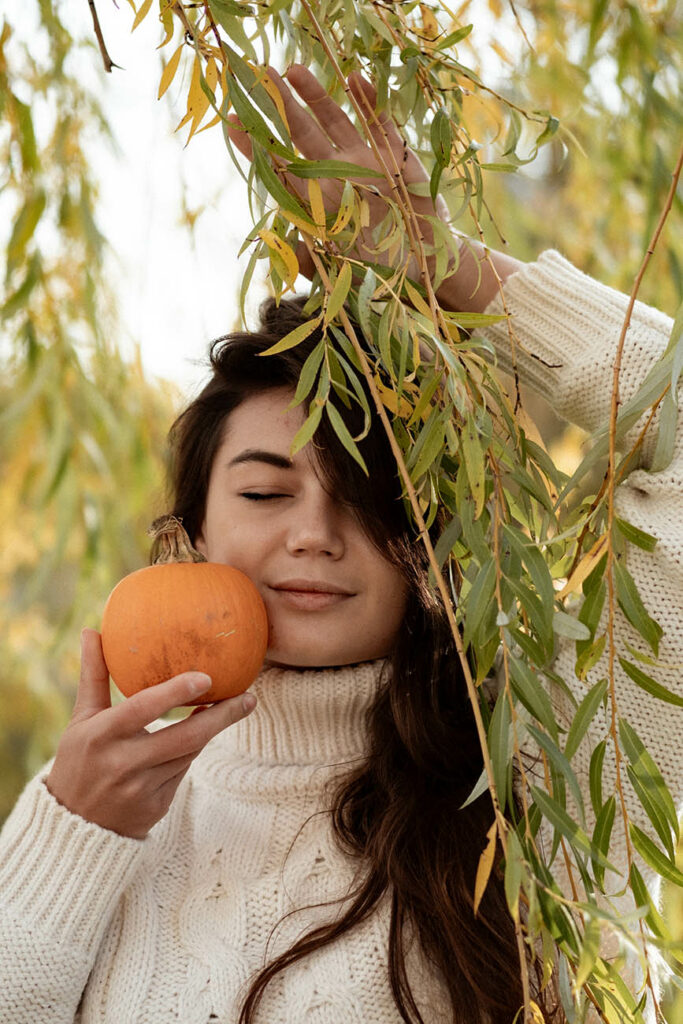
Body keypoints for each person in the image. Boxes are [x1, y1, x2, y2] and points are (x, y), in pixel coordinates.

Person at [0, 66, 680, 1024]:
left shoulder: (546, 757)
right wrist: (70, 839)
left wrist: (446, 264)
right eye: (265, 490)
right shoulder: (102, 802)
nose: (313, 535)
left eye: (368, 500)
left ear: (430, 535)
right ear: (193, 529)